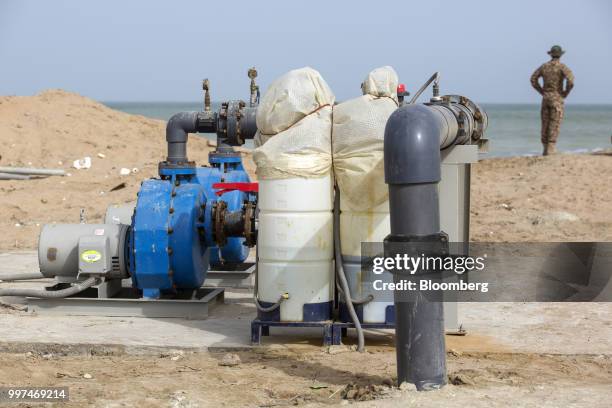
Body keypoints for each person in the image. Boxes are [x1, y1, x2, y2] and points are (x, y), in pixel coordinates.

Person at [530, 45, 575, 155]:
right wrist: (565, 93)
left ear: (551, 54)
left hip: (546, 98)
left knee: (545, 123)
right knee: (554, 123)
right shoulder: (562, 67)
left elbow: (533, 79)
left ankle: (545, 149)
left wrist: (542, 91)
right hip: (557, 98)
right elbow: (571, 81)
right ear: (560, 55)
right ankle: (551, 149)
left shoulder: (544, 66)